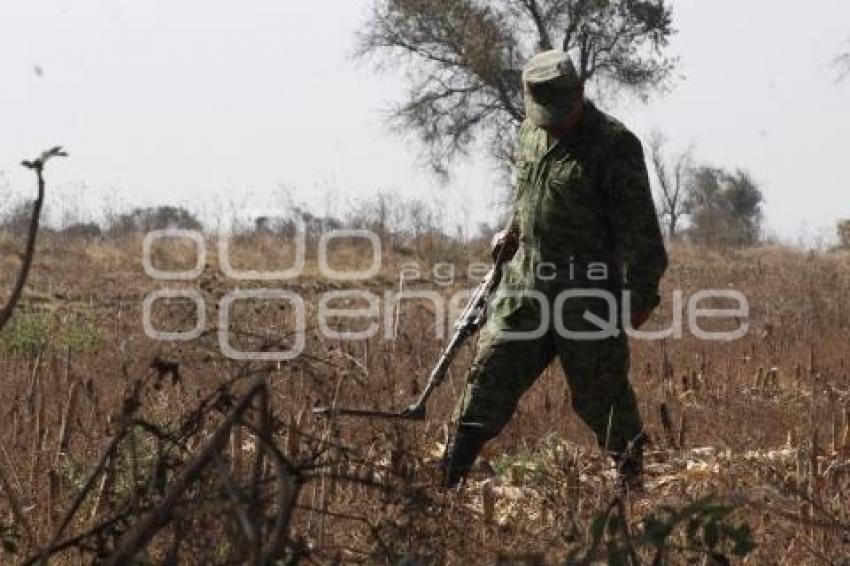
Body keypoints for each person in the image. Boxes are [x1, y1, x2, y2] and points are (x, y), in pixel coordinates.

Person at [441, 50, 668, 492]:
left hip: (587, 297)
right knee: (488, 379)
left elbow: (643, 234)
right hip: (524, 289)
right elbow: (529, 197)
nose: (554, 122)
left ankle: (631, 487)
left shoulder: (615, 146)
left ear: (580, 92)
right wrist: (510, 233)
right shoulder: (528, 133)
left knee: (602, 397)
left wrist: (639, 298)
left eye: (561, 112)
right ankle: (447, 485)